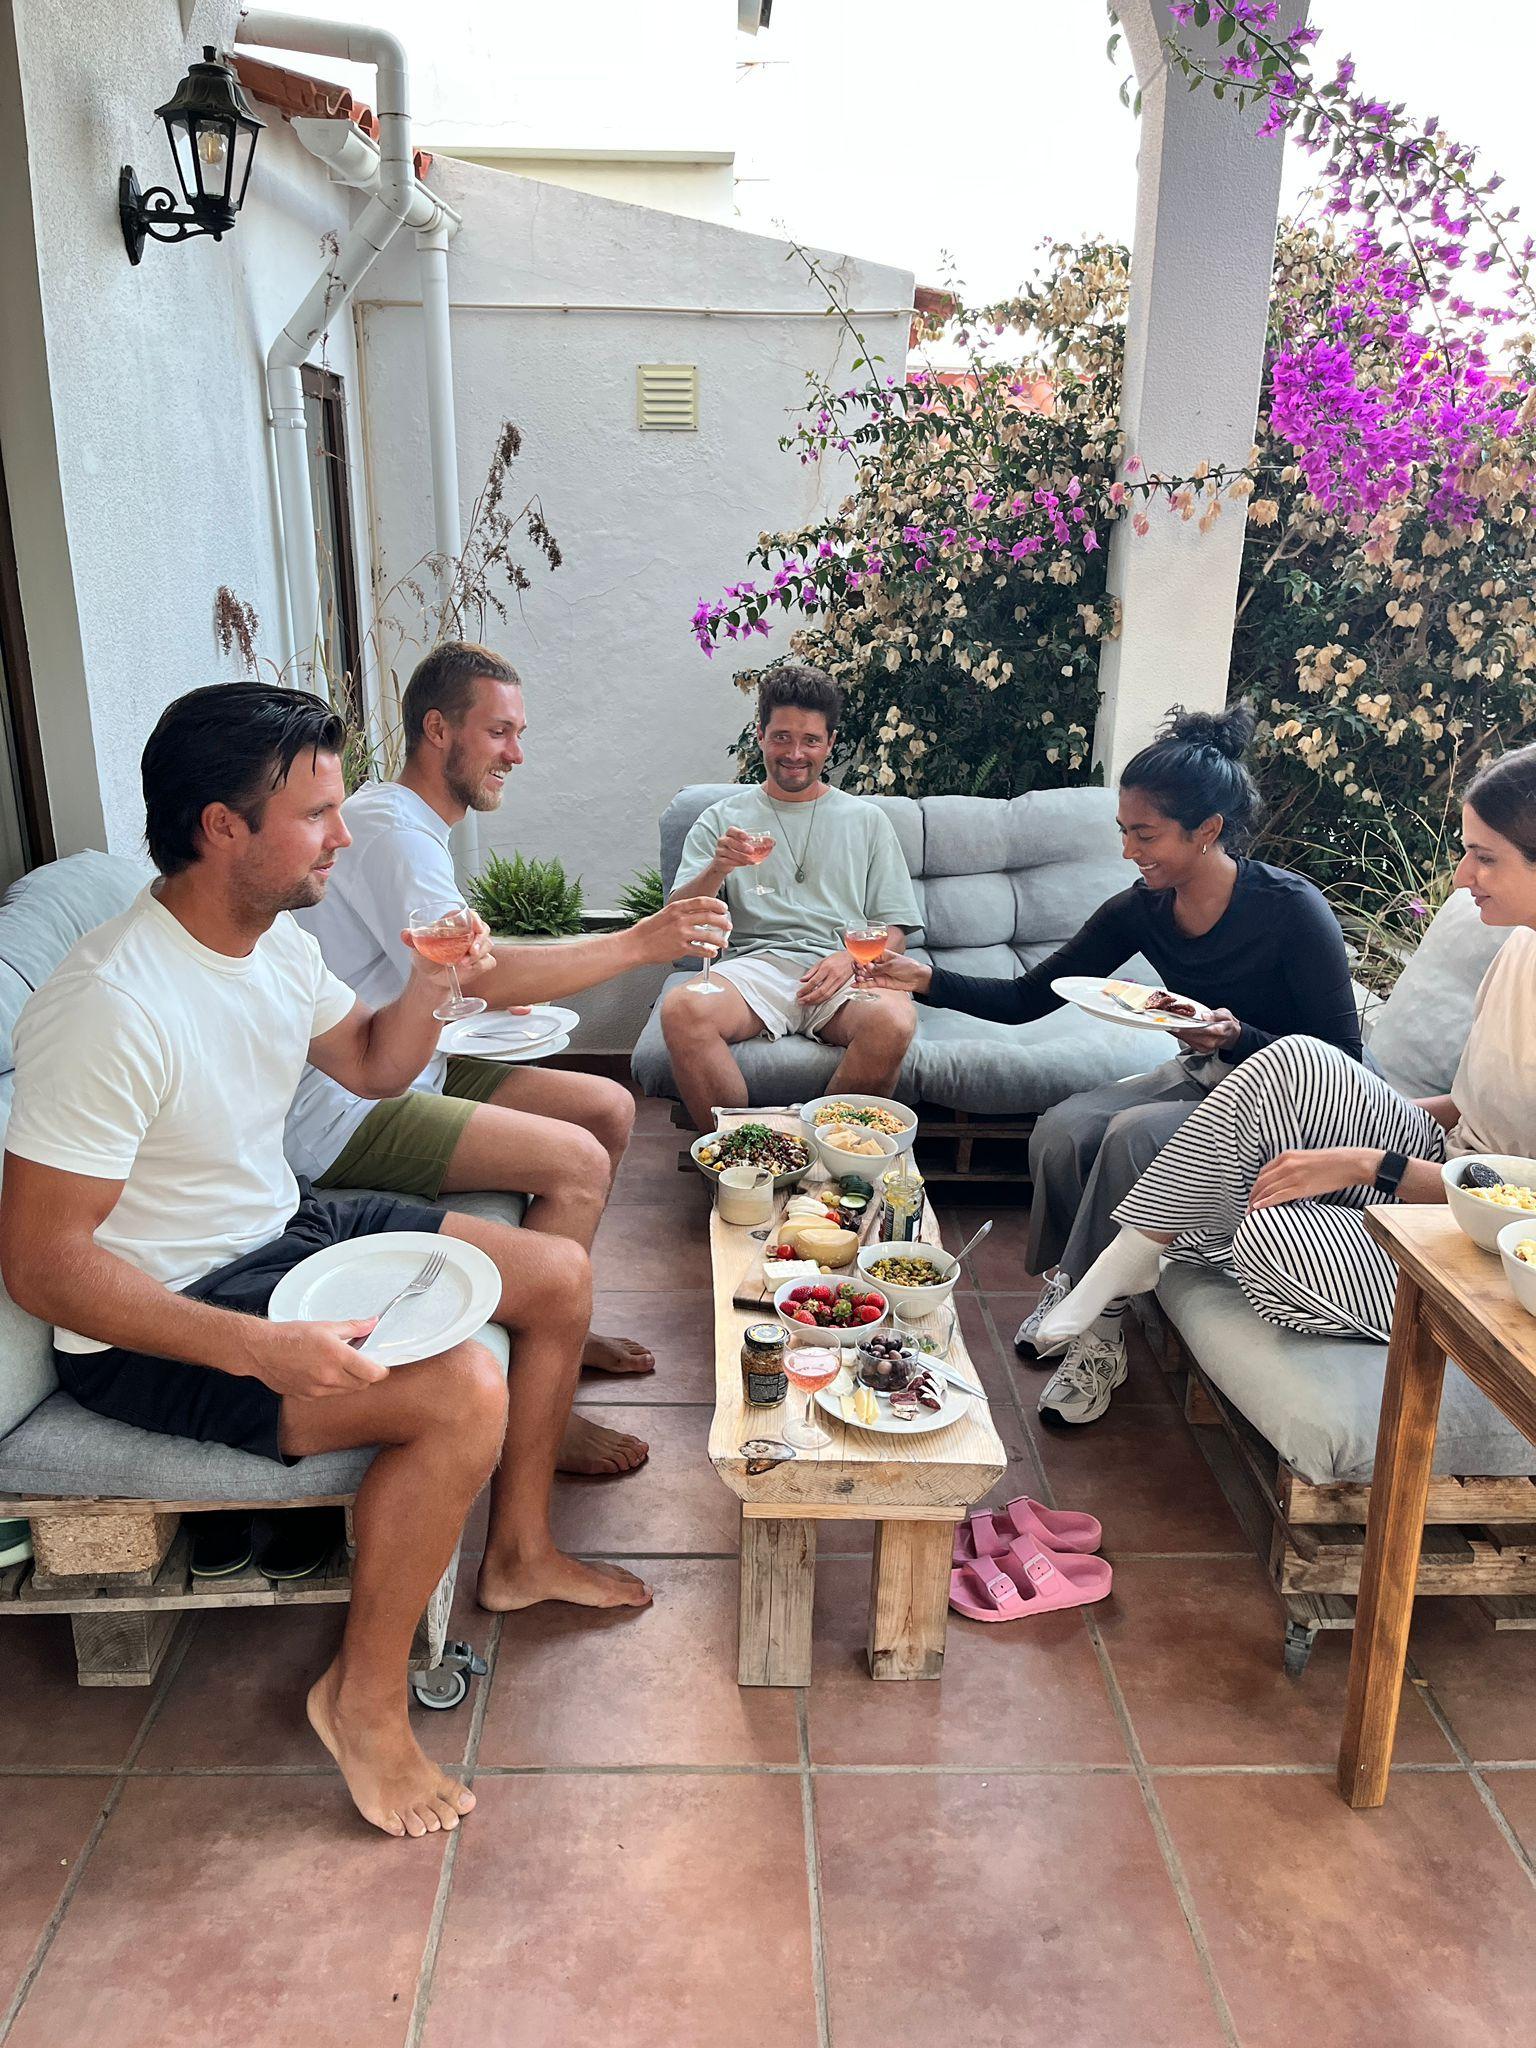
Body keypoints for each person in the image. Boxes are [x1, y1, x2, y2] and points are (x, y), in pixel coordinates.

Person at [0, 685, 650, 1844]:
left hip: (283, 1230)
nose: (343, 836)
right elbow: (45, 1268)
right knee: (463, 1390)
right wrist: (257, 1346)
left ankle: (517, 1552)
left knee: (556, 1276)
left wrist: (433, 983)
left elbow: (371, 1064)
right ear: (223, 827)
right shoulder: (108, 1004)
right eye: (316, 814)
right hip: (161, 1318)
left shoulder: (269, 942)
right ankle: (362, 1702)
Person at [285, 641, 731, 1474]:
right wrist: (641, 941)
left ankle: (558, 1331)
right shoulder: (394, 835)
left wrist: (489, 991)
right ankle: (540, 1414)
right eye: (499, 732)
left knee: (608, 1107)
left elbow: (442, 974)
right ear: (437, 730)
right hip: (344, 1107)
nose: (517, 754)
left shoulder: (403, 822)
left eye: (518, 733)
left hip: (412, 1060)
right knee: (574, 1161)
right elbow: (473, 972)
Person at [867, 703, 1361, 1426]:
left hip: (1292, 1099)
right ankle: (1076, 1281)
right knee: (1064, 1129)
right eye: (1124, 831)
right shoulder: (1143, 908)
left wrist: (1237, 1038)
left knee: (1131, 1136)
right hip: (1208, 1077)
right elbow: (1029, 998)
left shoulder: (1292, 910)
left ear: (1208, 830)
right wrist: (925, 978)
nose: (1129, 850)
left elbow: (1343, 1059)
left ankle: (1100, 1332)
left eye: (1146, 835)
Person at [1033, 744, 1536, 1356]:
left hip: (1504, 1248)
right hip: (1442, 1160)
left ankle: (1130, 1260)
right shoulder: (1520, 948)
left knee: (1263, 1231)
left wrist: (1370, 1165)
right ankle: (1131, 1254)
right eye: (1465, 852)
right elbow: (1470, 1107)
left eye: (1485, 857)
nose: (1460, 877)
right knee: (1295, 1057)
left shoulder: (1287, 905)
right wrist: (1337, 1107)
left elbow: (1519, 1198)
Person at [660, 665, 923, 1132]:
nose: (795, 754)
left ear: (830, 743)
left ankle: (826, 1155)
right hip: (754, 970)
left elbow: (895, 929)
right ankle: (742, 1155)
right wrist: (717, 867)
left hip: (842, 972)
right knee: (682, 1009)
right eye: (781, 737)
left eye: (811, 740)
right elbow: (678, 920)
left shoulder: (866, 821)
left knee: (895, 1021)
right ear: (760, 735)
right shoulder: (721, 819)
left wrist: (851, 960)